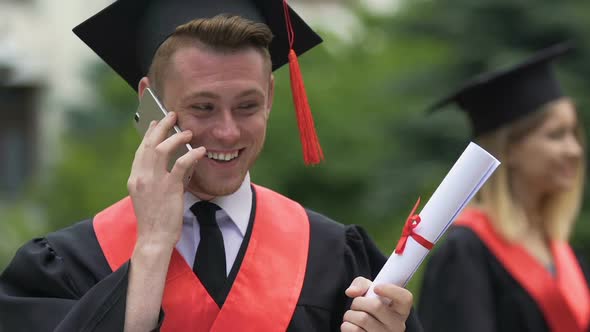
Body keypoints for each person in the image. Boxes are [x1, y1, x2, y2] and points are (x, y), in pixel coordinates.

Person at [0, 0, 424, 331]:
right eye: (203, 107)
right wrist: (150, 248)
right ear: (150, 100)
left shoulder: (334, 257)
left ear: (271, 95)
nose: (227, 132)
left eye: (247, 106)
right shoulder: (65, 266)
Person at [418, 42, 590, 332]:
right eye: (556, 135)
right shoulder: (465, 253)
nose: (574, 150)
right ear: (508, 150)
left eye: (573, 133)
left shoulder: (559, 250)